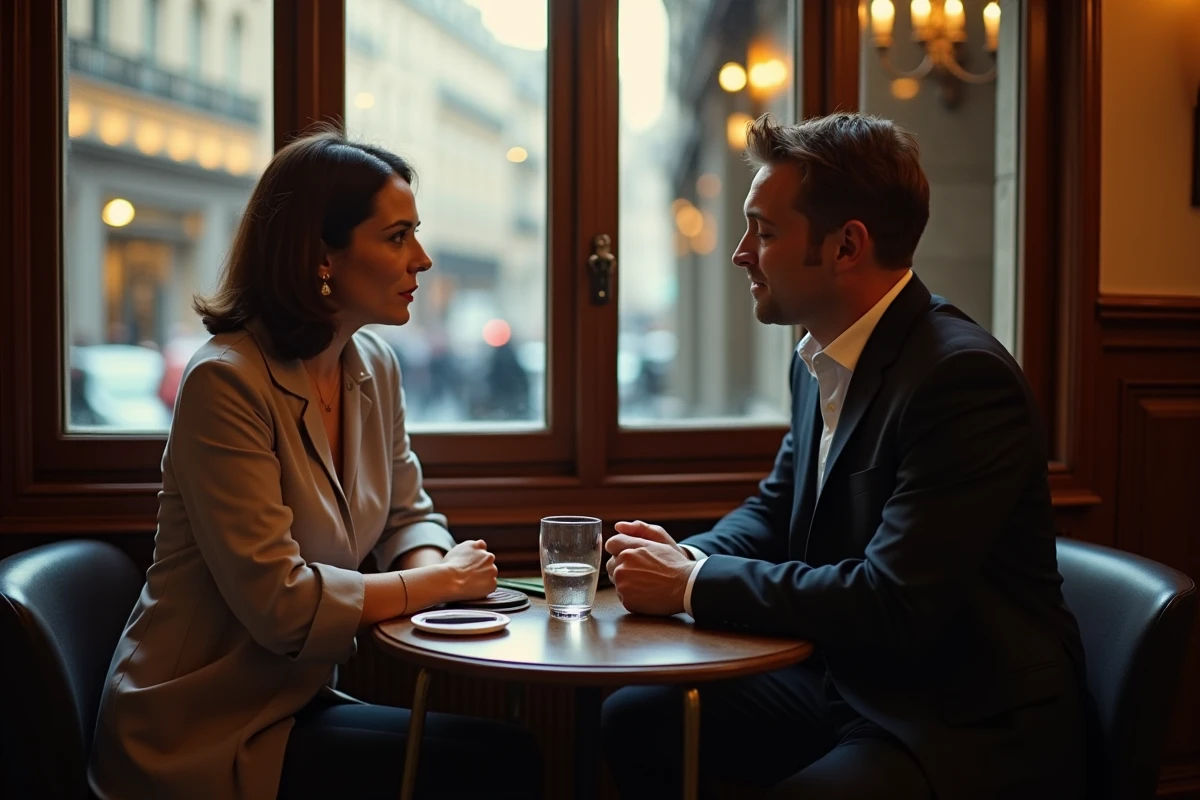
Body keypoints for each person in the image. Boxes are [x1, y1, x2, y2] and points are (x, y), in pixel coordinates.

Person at [600, 113, 1088, 800]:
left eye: (765, 232)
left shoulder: (962, 379)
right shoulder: (817, 356)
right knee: (636, 716)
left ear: (847, 246)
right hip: (851, 683)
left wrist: (688, 583)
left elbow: (893, 603)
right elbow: (777, 510)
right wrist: (666, 558)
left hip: (962, 717)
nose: (741, 252)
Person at [87, 128, 542, 800]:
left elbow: (405, 514)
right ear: (320, 256)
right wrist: (439, 584)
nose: (422, 259)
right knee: (495, 765)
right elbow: (282, 605)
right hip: (195, 730)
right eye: (397, 237)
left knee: (502, 754)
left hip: (291, 703)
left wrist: (432, 573)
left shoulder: (373, 364)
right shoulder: (225, 381)